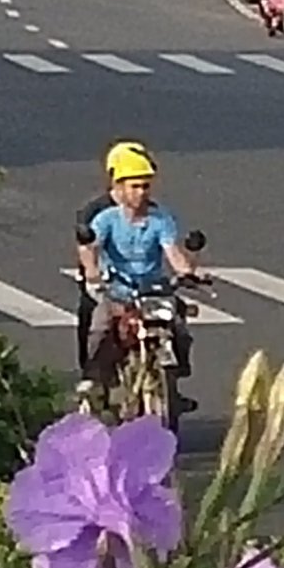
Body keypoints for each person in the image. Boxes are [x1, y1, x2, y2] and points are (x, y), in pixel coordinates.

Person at [77, 145, 201, 411]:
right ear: (119, 187)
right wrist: (92, 272)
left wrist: (187, 272)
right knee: (100, 328)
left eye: (145, 186)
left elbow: (172, 251)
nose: (141, 192)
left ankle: (173, 378)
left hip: (152, 291)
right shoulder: (106, 219)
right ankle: (94, 379)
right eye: (134, 186)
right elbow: (90, 248)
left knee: (178, 326)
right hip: (118, 291)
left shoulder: (161, 219)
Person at [71, 142, 151, 367]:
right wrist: (92, 272)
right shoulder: (95, 211)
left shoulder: (151, 210)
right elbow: (87, 246)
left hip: (141, 284)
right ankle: (91, 373)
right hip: (106, 282)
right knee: (92, 320)